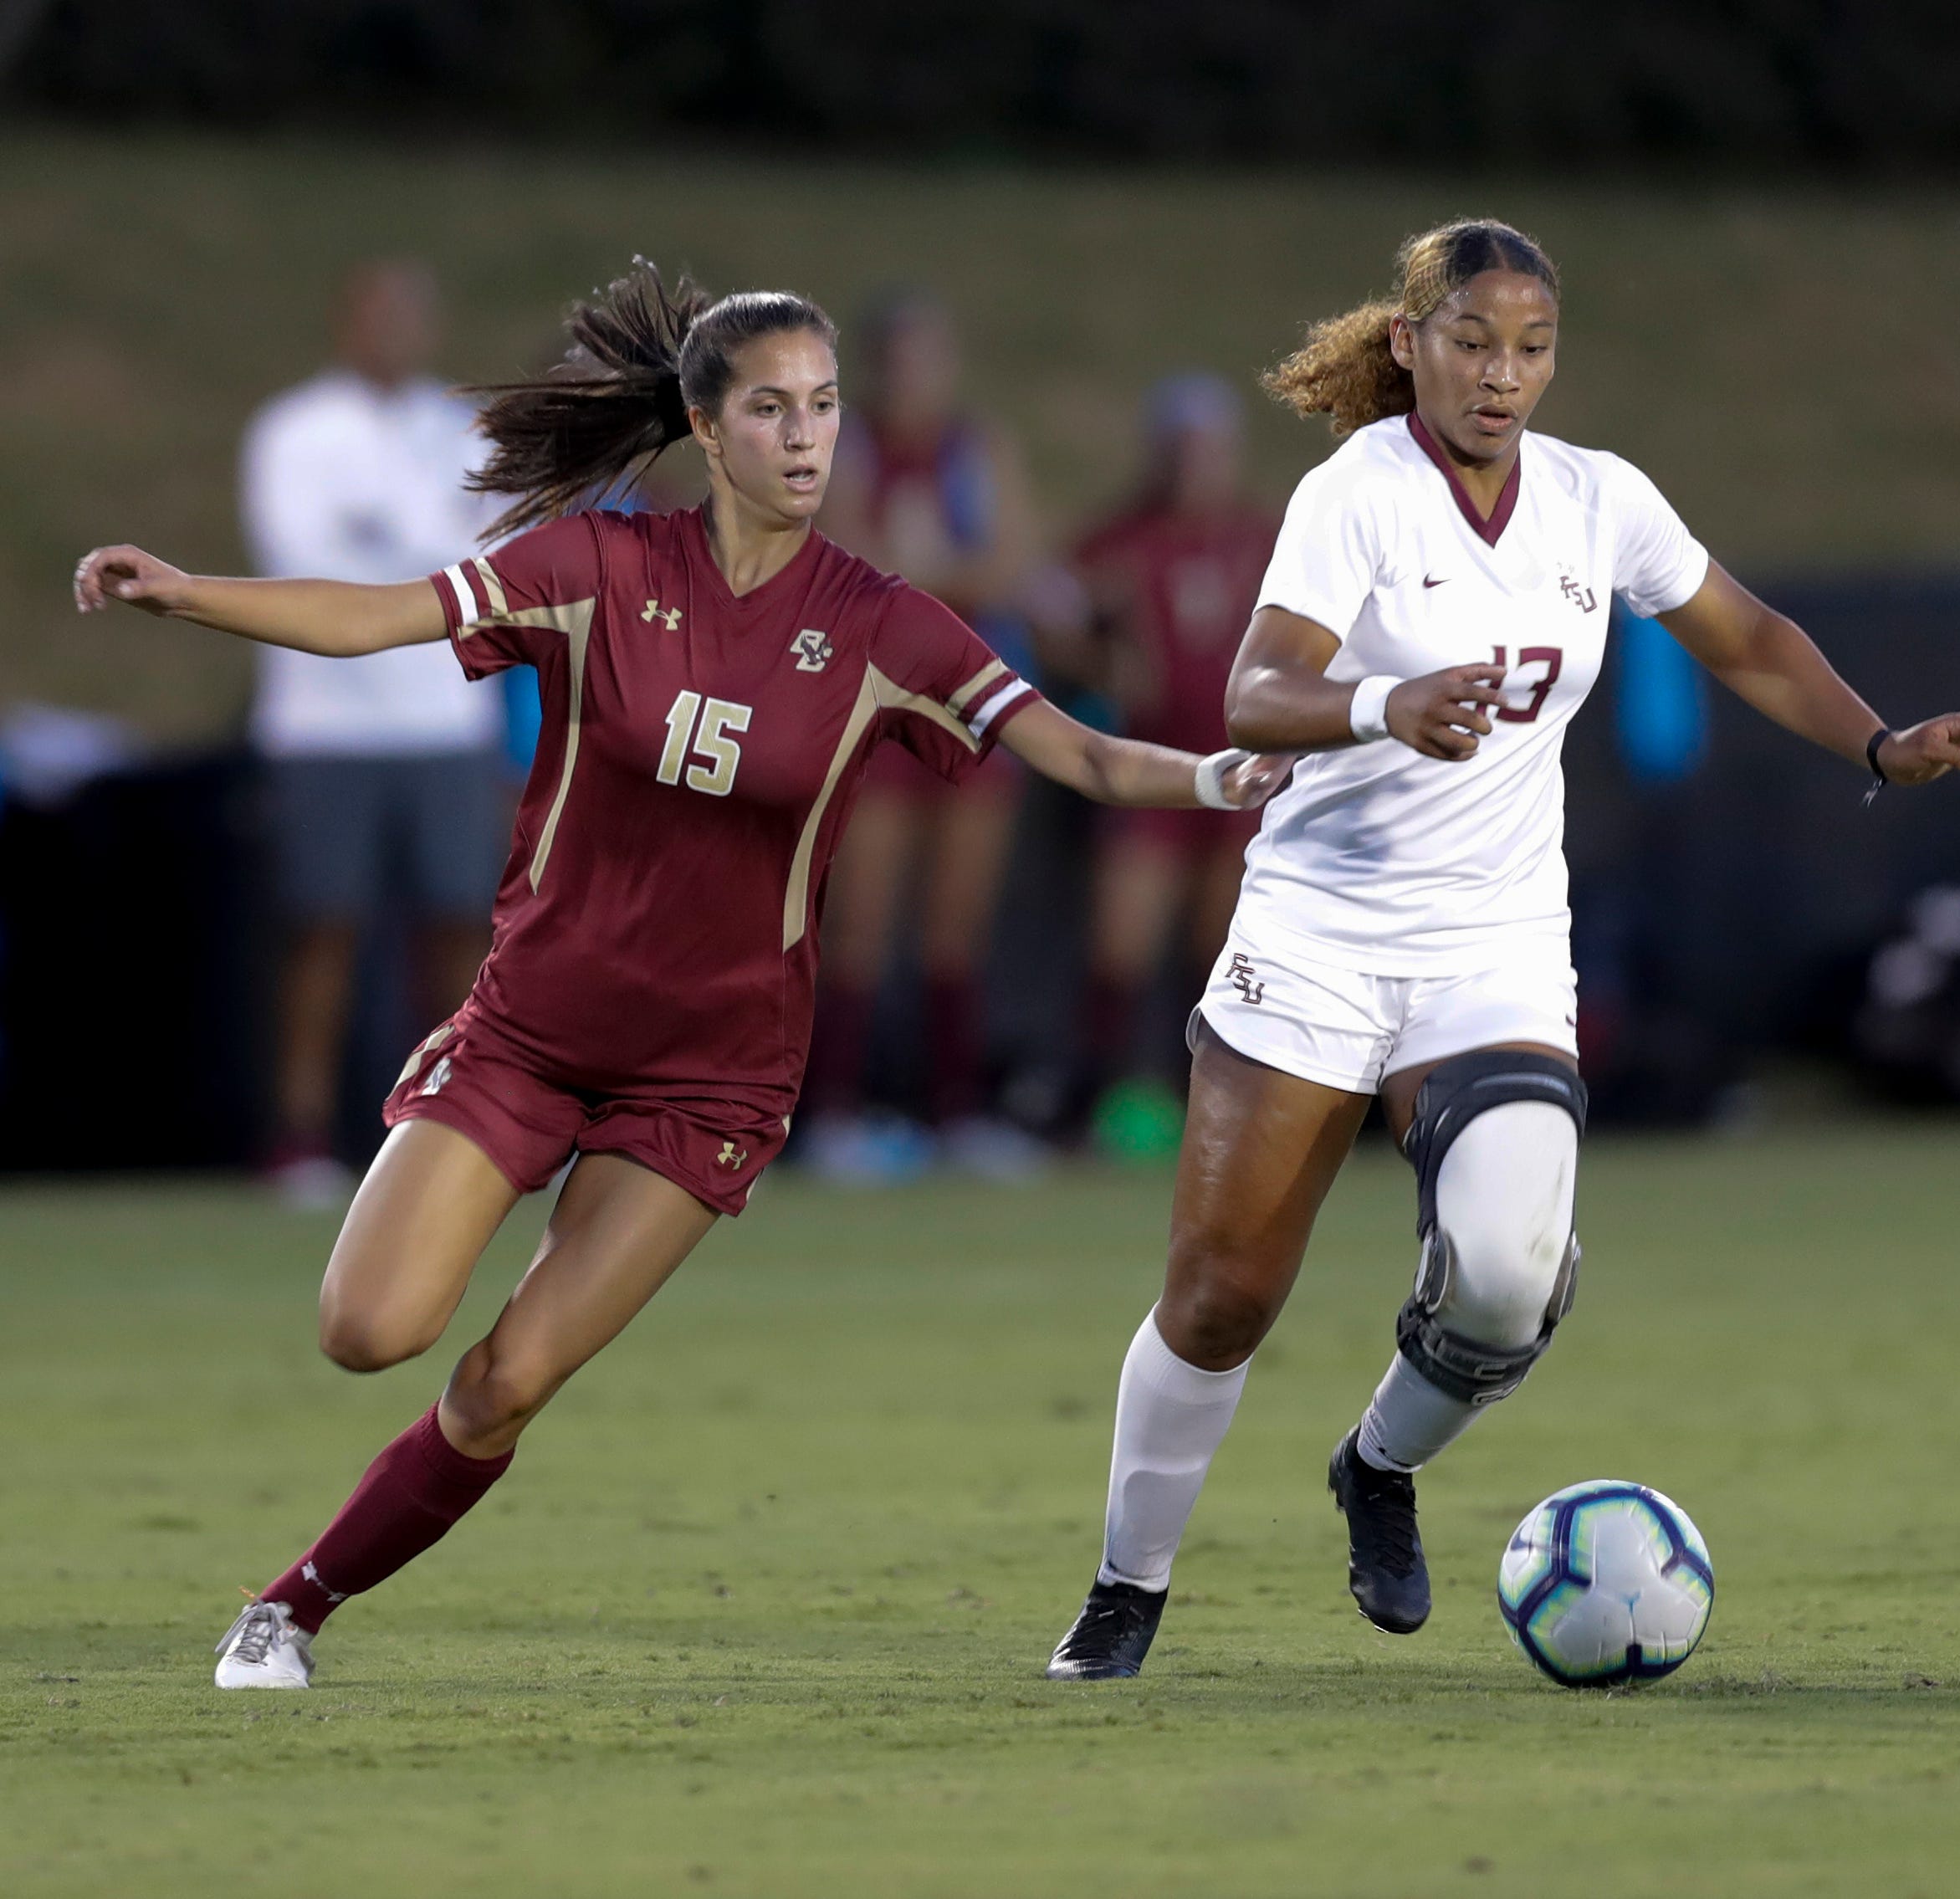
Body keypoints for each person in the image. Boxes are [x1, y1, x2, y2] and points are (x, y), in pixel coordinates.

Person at [73, 259, 1287, 1692]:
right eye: (771, 409)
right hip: (532, 1027)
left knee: (507, 1378)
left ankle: (293, 1603)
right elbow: (383, 615)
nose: (807, 437)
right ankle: (431, 1189)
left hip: (712, 1073)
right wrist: (187, 594)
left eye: (824, 407)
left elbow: (1075, 750)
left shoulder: (882, 623)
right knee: (366, 1329)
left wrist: (1222, 772)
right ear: (708, 434)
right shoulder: (596, 567)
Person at [1043, 218, 1960, 1681]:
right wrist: (1384, 704)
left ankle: (1375, 1464)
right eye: (1472, 343)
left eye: (1531, 348)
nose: (1502, 377)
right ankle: (1128, 1589)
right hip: (1315, 929)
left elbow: (1742, 638)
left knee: (1503, 1270)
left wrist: (1880, 743)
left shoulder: (1593, 499)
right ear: (1406, 344)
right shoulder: (1353, 492)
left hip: (1489, 943)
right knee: (1220, 1296)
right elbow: (1254, 690)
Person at [242, 261, 509, 1205]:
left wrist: (390, 543)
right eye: (379, 314)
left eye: (411, 315)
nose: (396, 331)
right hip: (328, 724)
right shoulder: (294, 429)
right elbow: (302, 557)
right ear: (348, 320)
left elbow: (494, 556)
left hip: (444, 713)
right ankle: (301, 1132)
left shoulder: (461, 428)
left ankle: (451, 1125)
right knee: (323, 925)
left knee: (459, 927)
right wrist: (425, 548)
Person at [805, 291, 1060, 1179]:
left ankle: (955, 1113)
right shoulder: (845, 448)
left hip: (965, 704)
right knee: (861, 922)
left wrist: (933, 570)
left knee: (958, 923)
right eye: (901, 361)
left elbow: (1016, 560)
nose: (917, 380)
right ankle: (834, 1111)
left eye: (931, 360)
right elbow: (856, 563)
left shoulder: (977, 447)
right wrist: (955, 573)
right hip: (872, 709)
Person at [1066, 373, 1282, 1143]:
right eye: (1183, 451)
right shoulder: (1120, 541)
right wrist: (1102, 662)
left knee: (1223, 946)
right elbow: (1053, 613)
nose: (1198, 467)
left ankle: (1215, 1111)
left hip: (1248, 770)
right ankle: (1104, 1105)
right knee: (1122, 937)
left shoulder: (1266, 537)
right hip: (1154, 771)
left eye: (1210, 451)